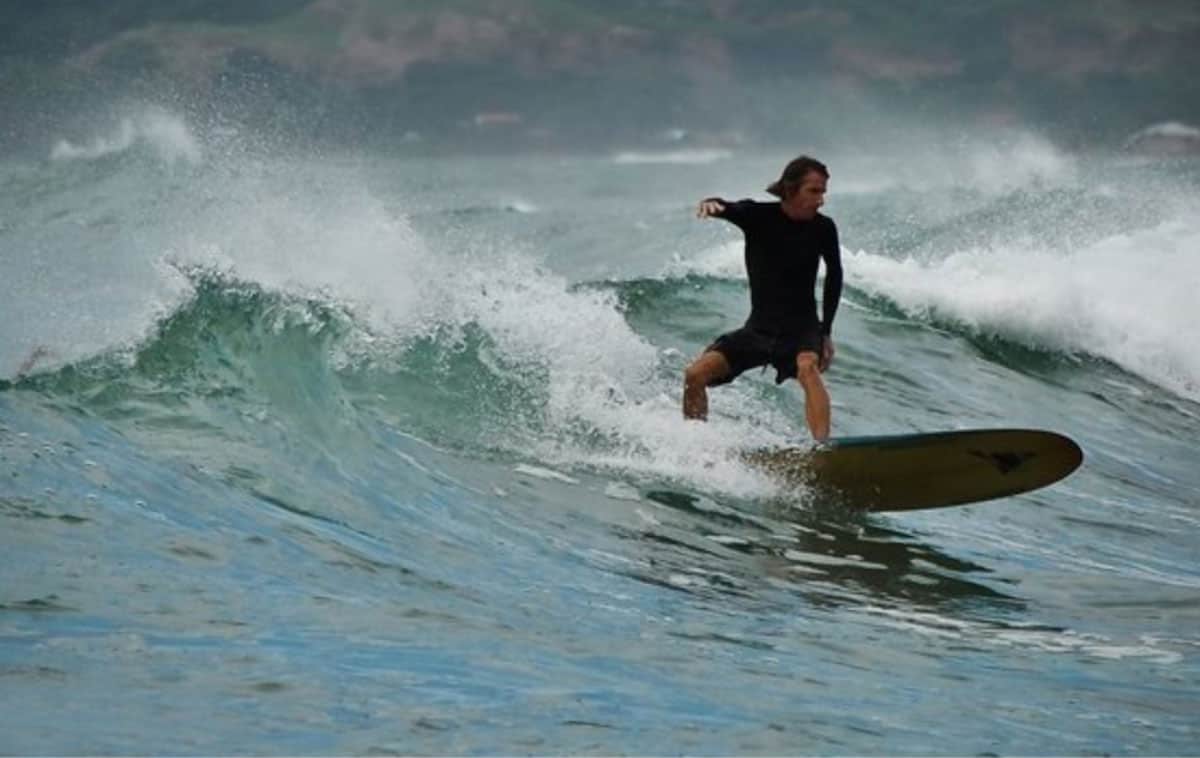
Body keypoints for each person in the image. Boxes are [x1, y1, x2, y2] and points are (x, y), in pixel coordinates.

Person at [683, 155, 843, 440]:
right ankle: (694, 444)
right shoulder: (759, 216)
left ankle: (823, 449)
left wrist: (826, 332)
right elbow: (726, 206)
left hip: (801, 331)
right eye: (814, 191)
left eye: (823, 192)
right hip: (758, 330)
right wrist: (711, 204)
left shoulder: (823, 228)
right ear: (791, 188)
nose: (821, 200)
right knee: (695, 375)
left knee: (807, 367)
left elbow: (835, 277)